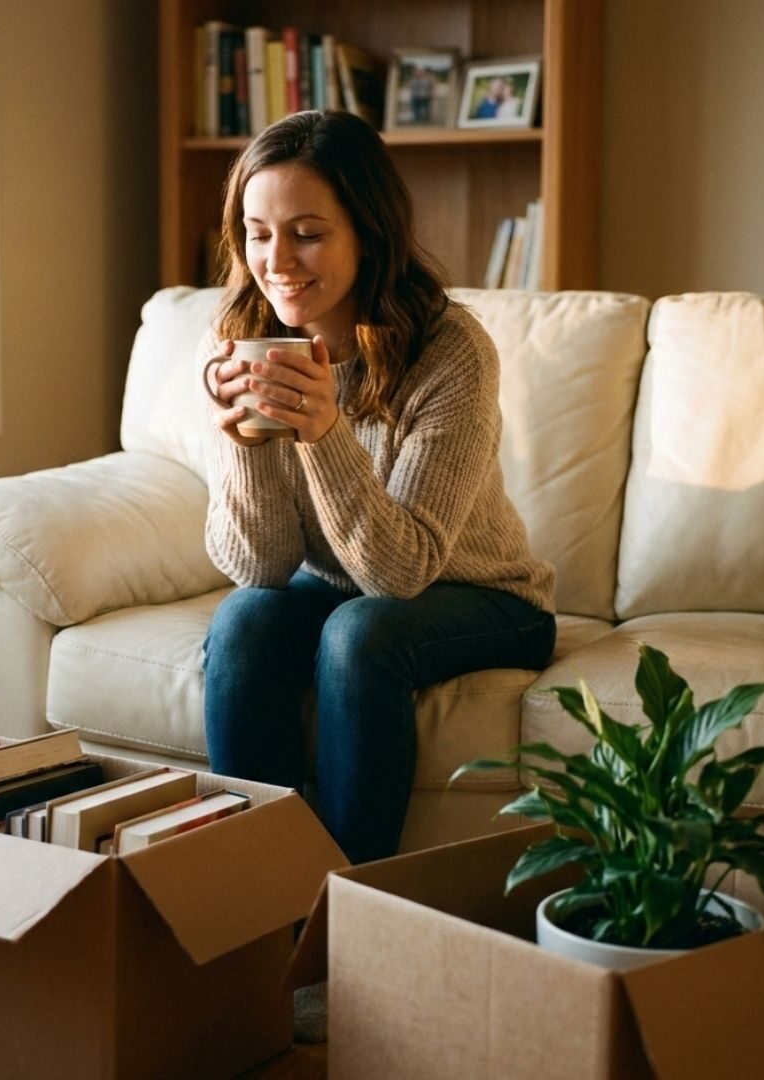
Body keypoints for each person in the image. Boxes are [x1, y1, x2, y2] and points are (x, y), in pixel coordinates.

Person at [199, 109, 556, 866]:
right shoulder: (246, 331)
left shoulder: (450, 349)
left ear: (369, 231)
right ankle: (251, 892)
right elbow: (259, 566)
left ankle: (351, 903)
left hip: (484, 595)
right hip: (339, 585)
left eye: (307, 232)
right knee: (242, 623)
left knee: (359, 634)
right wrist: (245, 443)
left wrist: (323, 434)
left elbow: (400, 574)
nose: (277, 260)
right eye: (257, 232)